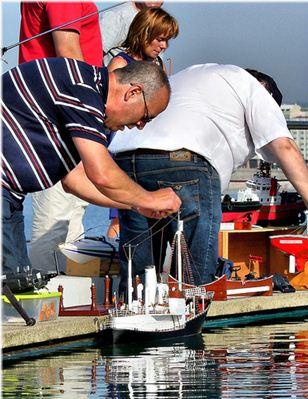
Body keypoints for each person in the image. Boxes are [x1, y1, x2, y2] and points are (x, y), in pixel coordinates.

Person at [108, 63, 308, 294]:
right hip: (185, 161)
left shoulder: (203, 73)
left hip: (126, 153)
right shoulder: (255, 91)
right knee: (194, 275)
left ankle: (133, 314)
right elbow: (285, 147)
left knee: (139, 269)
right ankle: (193, 312)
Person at [1, 58, 181, 276]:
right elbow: (101, 173)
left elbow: (75, 179)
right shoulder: (82, 90)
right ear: (133, 92)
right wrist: (149, 198)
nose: (140, 126)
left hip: (10, 198)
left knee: (15, 284)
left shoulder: (89, 100)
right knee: (11, 290)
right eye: (146, 117)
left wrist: (135, 205)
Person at [18, 1, 103, 272]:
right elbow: (68, 52)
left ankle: (66, 297)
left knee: (70, 216)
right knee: (55, 221)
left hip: (54, 115)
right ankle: (46, 305)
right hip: (59, 119)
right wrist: (90, 112)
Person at [105, 7, 179, 238]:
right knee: (123, 218)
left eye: (167, 40)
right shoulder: (119, 64)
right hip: (123, 148)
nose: (164, 46)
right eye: (160, 38)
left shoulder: (157, 65)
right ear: (144, 33)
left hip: (150, 148)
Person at [100, 1, 164, 65]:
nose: (164, 45)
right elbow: (94, 53)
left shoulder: (163, 20)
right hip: (120, 72)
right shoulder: (117, 16)